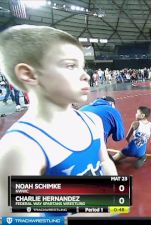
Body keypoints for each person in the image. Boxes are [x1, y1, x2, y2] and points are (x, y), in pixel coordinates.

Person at [0, 25, 118, 216]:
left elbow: (104, 162)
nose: (85, 75)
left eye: (82, 66)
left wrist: (112, 204)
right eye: (70, 65)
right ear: (29, 74)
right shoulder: (20, 148)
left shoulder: (92, 121)